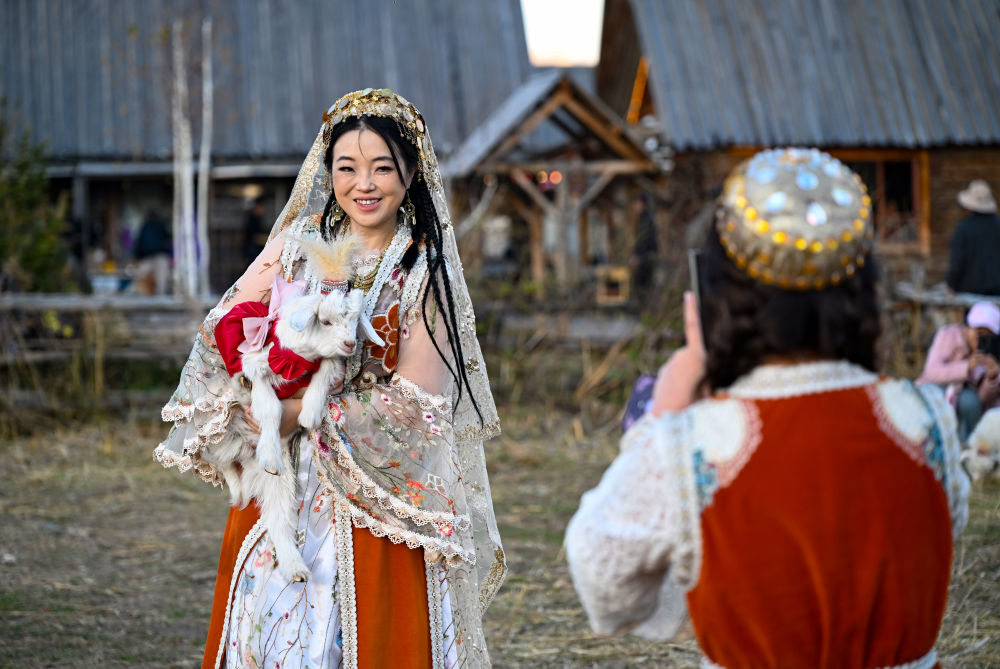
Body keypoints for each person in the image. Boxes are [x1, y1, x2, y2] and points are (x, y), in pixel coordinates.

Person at [565, 148, 969, 668]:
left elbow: (604, 583)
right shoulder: (929, 418)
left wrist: (665, 411)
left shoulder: (691, 444)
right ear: (861, 288)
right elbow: (935, 537)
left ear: (722, 295)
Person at [155, 89, 505, 668]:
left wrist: (295, 415)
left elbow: (416, 406)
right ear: (328, 173)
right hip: (284, 485)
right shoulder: (295, 250)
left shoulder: (422, 274)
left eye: (382, 168)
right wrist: (255, 392)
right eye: (347, 168)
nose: (364, 184)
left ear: (411, 173)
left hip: (375, 501)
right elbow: (224, 330)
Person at [919, 301, 1000, 440]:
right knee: (941, 398)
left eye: (987, 336)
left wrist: (992, 378)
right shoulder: (949, 336)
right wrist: (967, 367)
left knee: (970, 402)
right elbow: (931, 372)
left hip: (965, 401)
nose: (981, 338)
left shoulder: (993, 353)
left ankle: (967, 445)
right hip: (938, 389)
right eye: (978, 332)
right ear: (967, 327)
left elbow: (983, 400)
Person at [947, 179, 1000, 296]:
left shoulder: (964, 228)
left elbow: (957, 260)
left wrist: (951, 284)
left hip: (970, 290)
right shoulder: (998, 225)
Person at [134, 208, 172, 294]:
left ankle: (138, 293)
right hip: (157, 256)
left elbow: (139, 243)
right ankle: (160, 295)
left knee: (140, 276)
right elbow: (168, 239)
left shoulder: (146, 226)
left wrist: (137, 256)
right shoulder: (159, 225)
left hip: (152, 256)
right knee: (161, 280)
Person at [243, 197, 269, 262]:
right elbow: (253, 236)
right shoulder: (251, 220)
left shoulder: (259, 219)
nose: (263, 210)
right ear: (257, 207)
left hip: (256, 247)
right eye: (261, 208)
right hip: (252, 247)